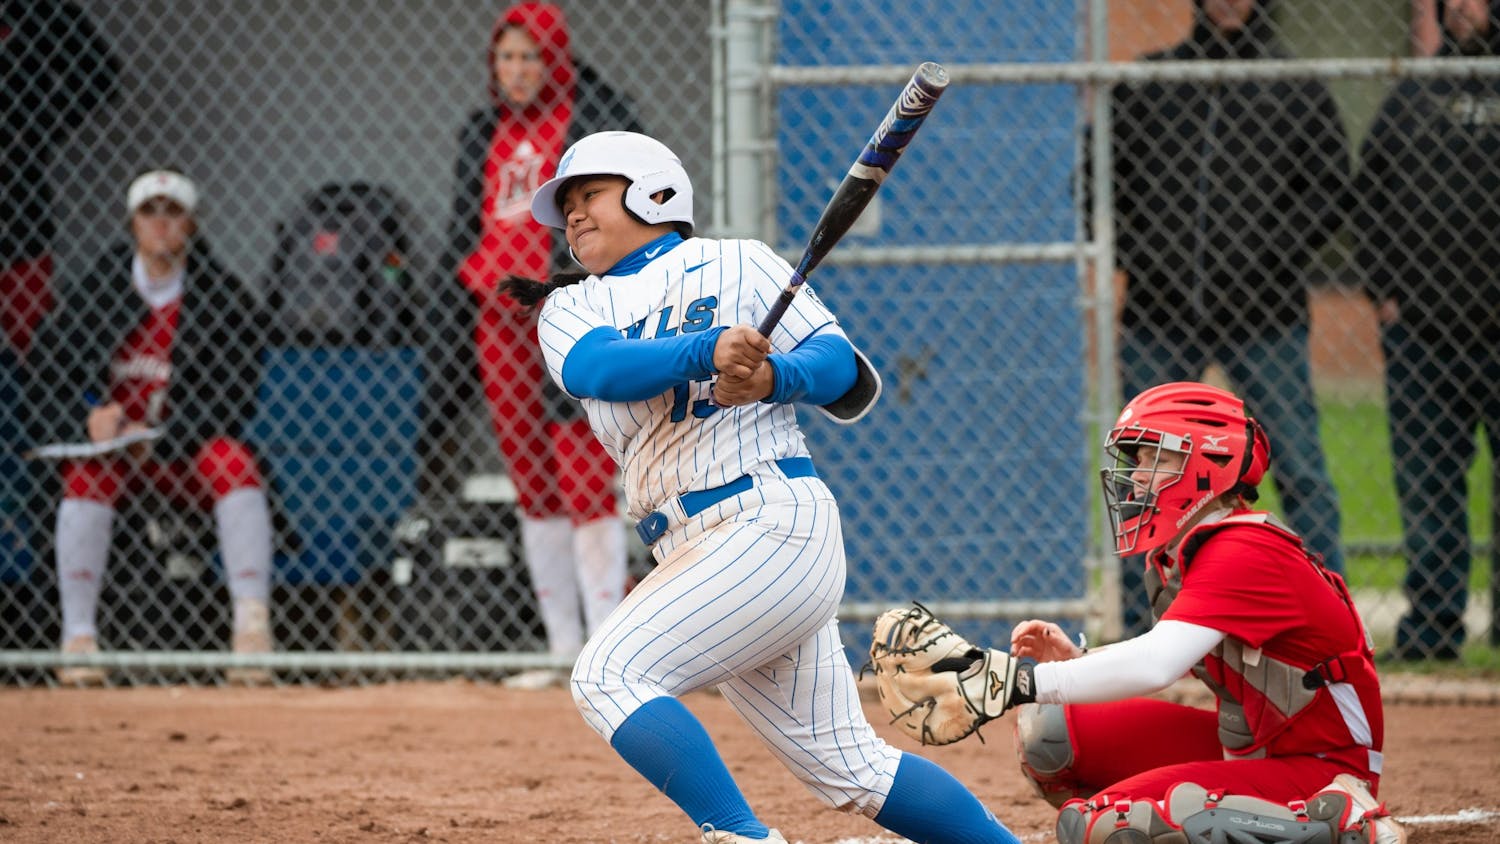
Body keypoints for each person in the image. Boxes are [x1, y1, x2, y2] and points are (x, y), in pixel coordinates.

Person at [501, 130, 1022, 843]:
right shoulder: (572, 307)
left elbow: (844, 370)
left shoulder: (738, 261)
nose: (574, 216)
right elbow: (601, 371)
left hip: (770, 520)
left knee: (607, 674)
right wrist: (704, 349)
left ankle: (740, 836)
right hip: (693, 550)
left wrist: (777, 377)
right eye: (567, 207)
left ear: (653, 191)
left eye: (589, 194)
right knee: (851, 767)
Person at [868, 382, 1405, 844]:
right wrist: (1077, 661)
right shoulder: (1188, 551)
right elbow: (1181, 656)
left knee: (1107, 827)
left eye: (1155, 459)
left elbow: (1157, 664)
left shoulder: (1243, 550)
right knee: (1052, 731)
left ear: (1208, 464)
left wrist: (1023, 681)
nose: (1137, 476)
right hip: (1256, 749)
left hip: (1321, 769)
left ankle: (1343, 827)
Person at [1106, 0, 1350, 636]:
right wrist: (1148, 254)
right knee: (1146, 475)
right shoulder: (1150, 82)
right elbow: (1100, 185)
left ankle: (1331, 613)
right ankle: (1146, 624)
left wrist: (1266, 258)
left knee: (1299, 467)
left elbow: (1329, 192)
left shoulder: (1295, 85)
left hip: (1264, 315)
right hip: (1160, 315)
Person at [431, 1, 643, 689]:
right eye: (507, 58)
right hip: (497, 316)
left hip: (567, 305)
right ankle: (563, 650)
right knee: (529, 474)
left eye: (530, 57)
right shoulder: (480, 129)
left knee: (581, 471)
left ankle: (606, 652)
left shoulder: (595, 118)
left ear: (555, 58)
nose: (518, 71)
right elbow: (466, 220)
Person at [26, 170, 274, 685]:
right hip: (115, 455)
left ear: (192, 224)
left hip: (178, 451)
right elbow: (45, 381)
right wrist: (88, 420)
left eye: (173, 213)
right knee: (84, 473)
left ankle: (251, 631)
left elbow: (234, 399)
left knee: (233, 462)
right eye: (150, 213)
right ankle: (78, 640)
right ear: (132, 223)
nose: (161, 225)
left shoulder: (220, 297)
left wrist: (163, 436)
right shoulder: (97, 291)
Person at [1351, 0, 1500, 660]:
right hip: (1423, 339)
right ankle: (1433, 629)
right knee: (1428, 489)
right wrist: (1385, 294)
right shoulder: (1412, 95)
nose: (1464, 8)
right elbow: (1367, 200)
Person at [2, 0, 121, 363]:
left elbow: (101, 75)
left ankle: (36, 414)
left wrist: (32, 133)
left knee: (31, 339)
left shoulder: (39, 9)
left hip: (19, 203)